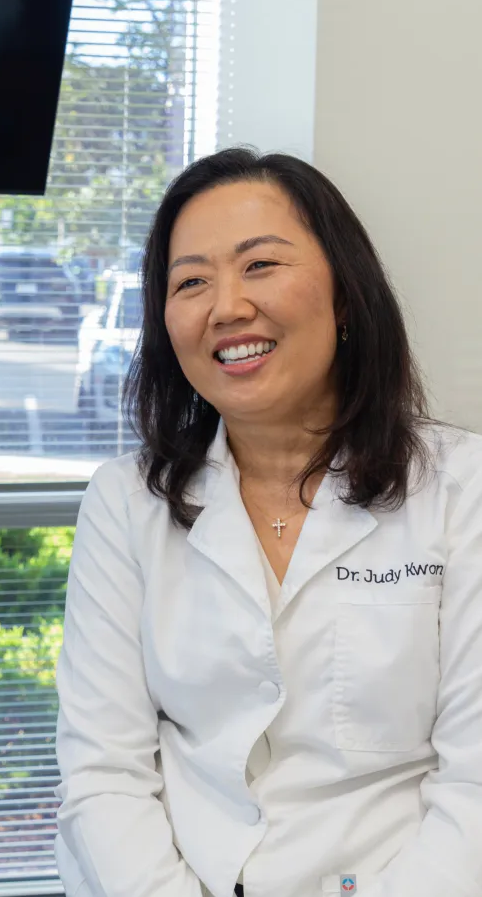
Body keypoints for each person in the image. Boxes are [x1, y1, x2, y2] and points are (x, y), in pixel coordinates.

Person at [53, 148, 482, 897]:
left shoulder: (462, 490)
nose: (226, 307)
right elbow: (103, 772)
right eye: (191, 282)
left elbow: (475, 784)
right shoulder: (126, 503)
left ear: (345, 295)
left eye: (260, 265)